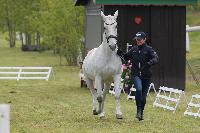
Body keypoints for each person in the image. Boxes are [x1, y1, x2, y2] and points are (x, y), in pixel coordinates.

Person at [117, 32, 159, 121]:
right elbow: (125, 57)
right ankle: (138, 111)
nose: (137, 41)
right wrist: (120, 53)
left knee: (143, 97)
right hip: (135, 75)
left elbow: (156, 58)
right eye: (136, 39)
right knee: (139, 89)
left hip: (146, 76)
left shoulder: (149, 49)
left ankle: (140, 113)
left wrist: (149, 63)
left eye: (139, 39)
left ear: (144, 39)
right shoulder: (133, 49)